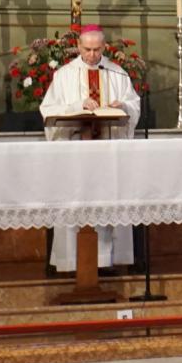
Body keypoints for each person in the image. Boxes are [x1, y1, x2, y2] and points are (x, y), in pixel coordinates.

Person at [39, 24, 140, 272]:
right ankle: (74, 262)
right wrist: (76, 105)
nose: (92, 55)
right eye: (87, 49)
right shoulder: (64, 75)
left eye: (97, 50)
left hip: (109, 152)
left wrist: (123, 106)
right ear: (78, 47)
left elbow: (134, 105)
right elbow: (48, 109)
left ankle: (111, 260)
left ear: (104, 47)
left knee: (108, 204)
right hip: (76, 152)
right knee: (76, 205)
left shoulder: (117, 73)